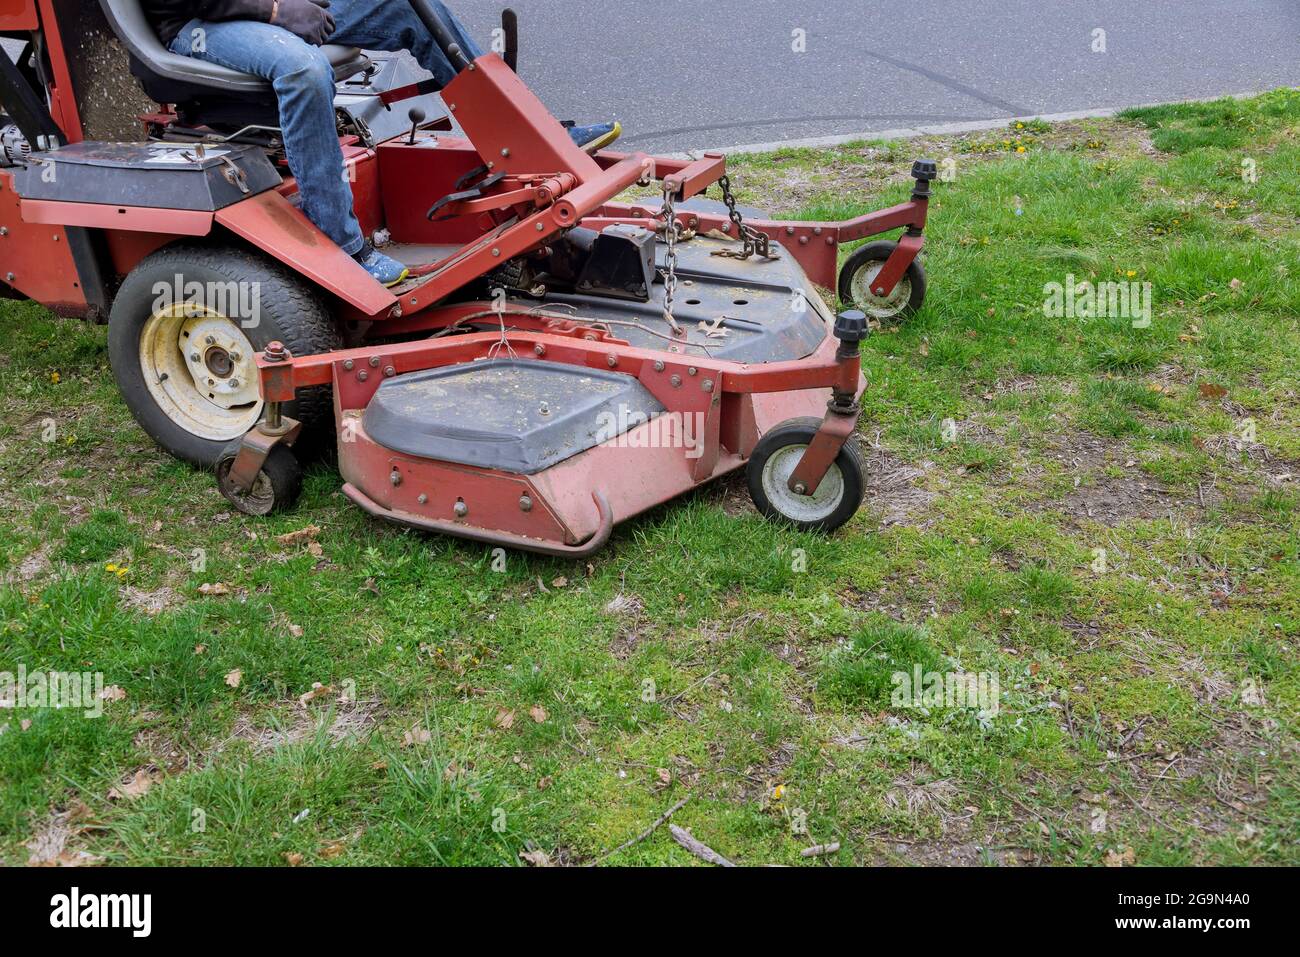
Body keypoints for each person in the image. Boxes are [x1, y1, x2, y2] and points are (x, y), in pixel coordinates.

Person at [141, 0, 620, 285]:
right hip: (198, 24)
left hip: (268, 7)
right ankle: (342, 244)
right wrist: (274, 10)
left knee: (406, 5)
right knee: (304, 70)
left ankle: (532, 140)